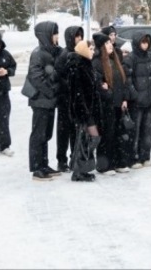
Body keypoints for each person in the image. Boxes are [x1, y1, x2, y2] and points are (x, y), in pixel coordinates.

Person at [92, 32, 135, 175]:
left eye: (110, 43)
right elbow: (98, 84)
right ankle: (105, 165)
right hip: (106, 105)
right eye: (106, 44)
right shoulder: (97, 62)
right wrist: (106, 92)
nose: (110, 45)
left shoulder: (115, 61)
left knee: (119, 134)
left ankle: (119, 162)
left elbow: (122, 82)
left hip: (118, 104)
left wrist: (124, 98)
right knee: (107, 135)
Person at [25, 21, 62, 181]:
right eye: (54, 33)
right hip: (41, 101)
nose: (57, 36)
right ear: (46, 35)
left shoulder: (51, 51)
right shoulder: (38, 53)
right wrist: (51, 91)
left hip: (49, 101)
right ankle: (37, 168)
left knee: (46, 134)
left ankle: (44, 164)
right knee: (38, 134)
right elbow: (35, 77)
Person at [67, 39, 101, 183]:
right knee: (88, 139)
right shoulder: (78, 67)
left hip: (89, 109)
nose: (93, 51)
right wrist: (83, 112)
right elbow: (77, 93)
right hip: (83, 111)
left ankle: (80, 168)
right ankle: (78, 170)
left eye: (93, 49)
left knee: (86, 139)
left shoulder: (87, 65)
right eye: (91, 49)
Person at [124, 31, 151, 169]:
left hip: (149, 100)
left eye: (147, 42)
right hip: (136, 102)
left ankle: (145, 156)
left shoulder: (150, 57)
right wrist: (135, 95)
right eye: (143, 42)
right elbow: (127, 79)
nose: (145, 45)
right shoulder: (130, 59)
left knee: (147, 131)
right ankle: (133, 158)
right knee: (135, 131)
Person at [54, 25, 84, 172]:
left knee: (75, 131)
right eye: (76, 36)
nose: (79, 39)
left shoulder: (80, 53)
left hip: (77, 100)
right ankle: (62, 160)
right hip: (65, 100)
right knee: (63, 131)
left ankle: (75, 157)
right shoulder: (64, 55)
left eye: (80, 36)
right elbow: (59, 77)